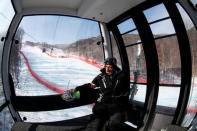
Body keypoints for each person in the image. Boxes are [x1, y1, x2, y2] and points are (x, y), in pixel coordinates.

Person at [62, 57, 130, 131]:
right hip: (102, 104)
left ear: (114, 67)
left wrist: (125, 108)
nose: (107, 69)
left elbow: (126, 93)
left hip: (116, 105)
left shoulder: (121, 77)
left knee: (115, 124)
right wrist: (76, 89)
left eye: (110, 67)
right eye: (106, 67)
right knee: (94, 125)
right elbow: (90, 86)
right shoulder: (101, 77)